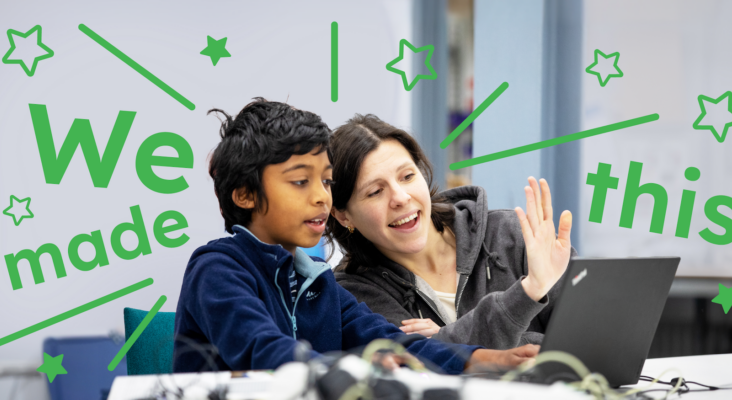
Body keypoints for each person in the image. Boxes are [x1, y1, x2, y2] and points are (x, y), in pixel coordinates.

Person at [172, 98, 539, 374]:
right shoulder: (216, 269)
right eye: (300, 181)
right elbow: (265, 352)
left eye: (326, 181)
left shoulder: (316, 281)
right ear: (245, 195)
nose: (321, 197)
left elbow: (396, 344)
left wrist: (487, 359)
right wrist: (363, 367)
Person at [328, 114, 576, 350]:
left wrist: (445, 338)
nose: (401, 198)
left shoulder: (513, 236)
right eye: (375, 192)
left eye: (407, 176)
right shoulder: (353, 295)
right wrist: (528, 292)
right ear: (343, 215)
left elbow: (588, 346)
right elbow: (418, 364)